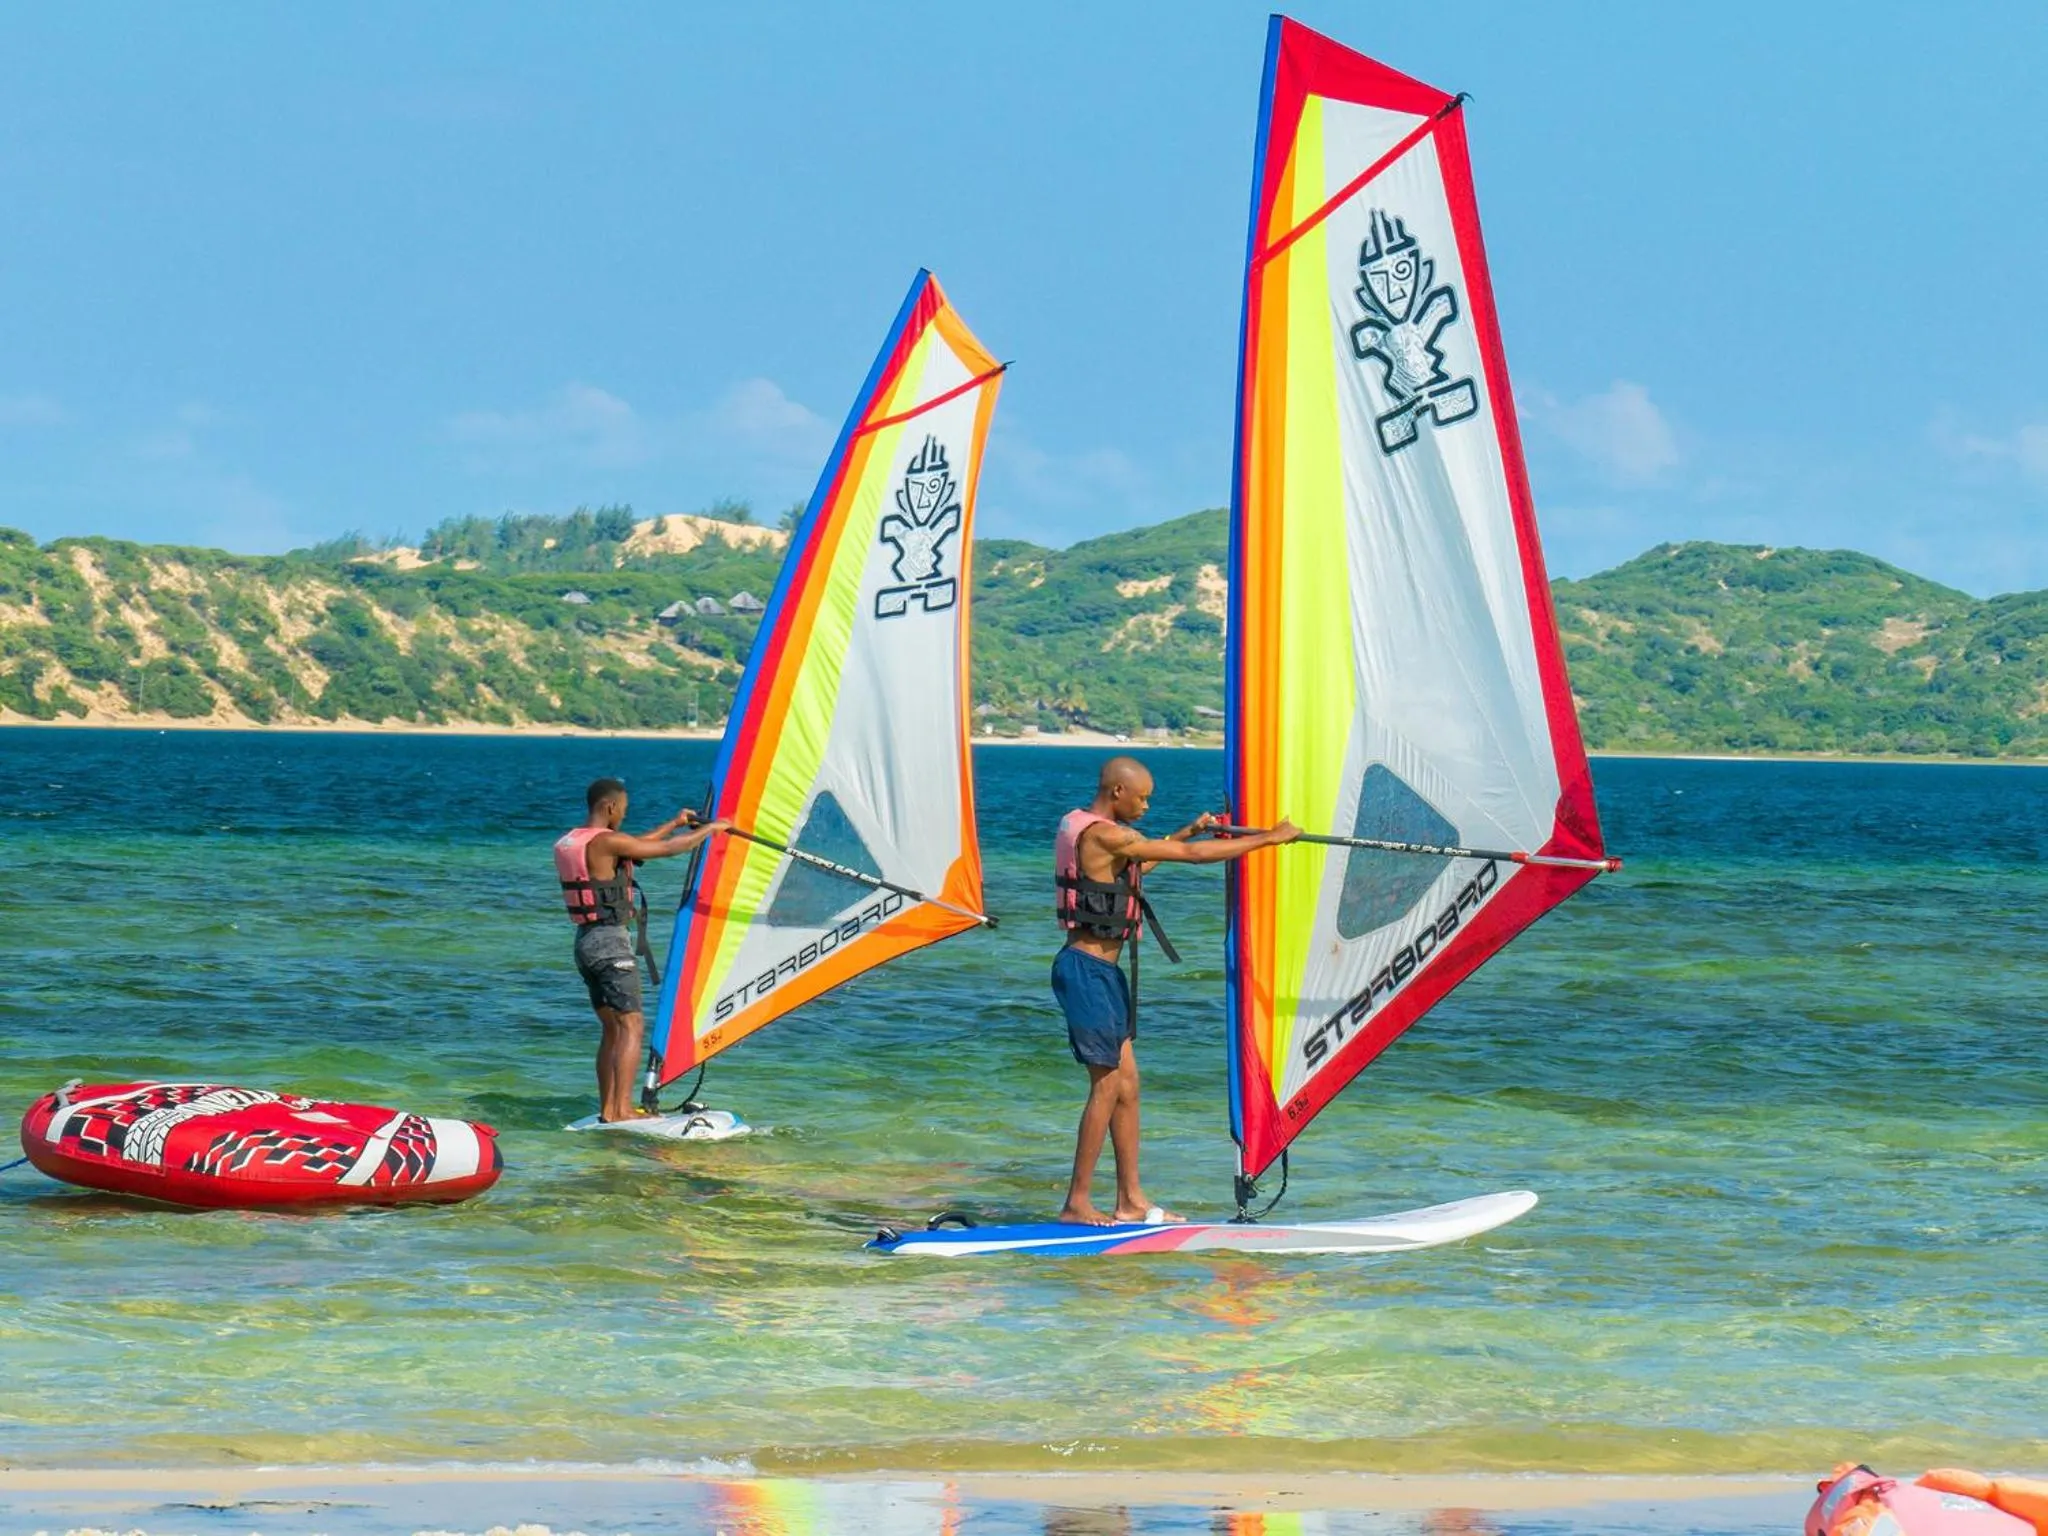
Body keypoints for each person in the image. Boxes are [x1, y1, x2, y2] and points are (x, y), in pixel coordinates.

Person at [1052, 755, 1299, 1225]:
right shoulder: (1106, 833)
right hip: (1086, 972)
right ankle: (1077, 1203)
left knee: (1127, 1086)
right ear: (1118, 793)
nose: (1146, 805)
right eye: (1142, 797)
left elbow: (1139, 866)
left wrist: (1187, 831)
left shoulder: (1085, 829)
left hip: (1101, 974)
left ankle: (1130, 1200)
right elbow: (1189, 860)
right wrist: (1269, 838)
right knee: (1106, 1086)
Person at [554, 778, 729, 1122]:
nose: (623, 814)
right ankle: (620, 1111)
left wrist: (675, 824)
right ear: (609, 807)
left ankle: (609, 1108)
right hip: (610, 944)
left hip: (585, 944)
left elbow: (634, 845)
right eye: (623, 809)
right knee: (632, 1025)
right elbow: (667, 850)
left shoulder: (576, 840)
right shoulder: (607, 841)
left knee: (613, 1028)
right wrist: (711, 831)